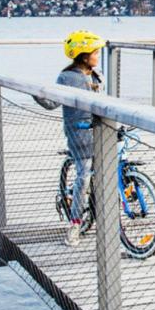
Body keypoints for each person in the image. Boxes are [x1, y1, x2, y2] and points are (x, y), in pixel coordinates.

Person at [58, 30, 106, 247]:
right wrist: (36, 92)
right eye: (95, 52)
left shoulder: (97, 75)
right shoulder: (67, 77)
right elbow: (51, 101)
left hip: (101, 129)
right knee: (84, 176)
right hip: (80, 132)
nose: (98, 55)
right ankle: (75, 224)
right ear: (84, 54)